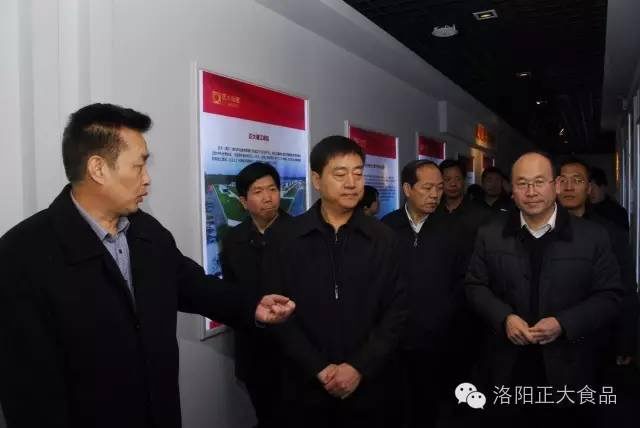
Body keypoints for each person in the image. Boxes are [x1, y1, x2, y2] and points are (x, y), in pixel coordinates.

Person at [0, 103, 295, 428]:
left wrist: (252, 306)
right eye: (139, 166)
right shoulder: (22, 254)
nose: (147, 179)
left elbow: (192, 285)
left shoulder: (146, 231)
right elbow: (28, 391)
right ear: (98, 169)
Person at [465, 152, 623, 422]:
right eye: (522, 183)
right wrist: (504, 318)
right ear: (511, 190)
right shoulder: (490, 234)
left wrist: (564, 323)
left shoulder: (592, 236)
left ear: (556, 185)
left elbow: (610, 296)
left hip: (570, 365)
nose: (531, 192)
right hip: (507, 365)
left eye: (539, 182)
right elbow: (475, 285)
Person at [265, 136, 407, 428]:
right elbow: (276, 312)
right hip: (304, 384)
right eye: (340, 174)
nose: (352, 183)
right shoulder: (286, 238)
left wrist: (358, 367)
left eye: (358, 173)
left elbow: (397, 310)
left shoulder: (384, 239)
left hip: (370, 383)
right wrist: (318, 367)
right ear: (317, 180)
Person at [381, 160, 468, 428]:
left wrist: (444, 314)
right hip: (393, 336)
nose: (435, 195)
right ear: (407, 189)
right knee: (394, 403)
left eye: (439, 188)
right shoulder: (386, 228)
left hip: (436, 337)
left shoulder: (453, 229)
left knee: (429, 404)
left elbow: (463, 280)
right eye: (427, 188)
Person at [220, 162, 291, 428]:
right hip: (254, 349)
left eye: (272, 189)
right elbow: (231, 293)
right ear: (243, 201)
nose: (268, 197)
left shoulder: (300, 233)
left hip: (295, 349)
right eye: (258, 191)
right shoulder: (233, 239)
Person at [556, 157, 638, 368]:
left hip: (599, 336)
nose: (569, 187)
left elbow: (626, 287)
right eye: (562, 180)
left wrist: (626, 341)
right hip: (552, 337)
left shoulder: (609, 233)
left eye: (577, 180)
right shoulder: (542, 230)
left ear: (589, 188)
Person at [589, 166, 630, 231]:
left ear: (603, 187)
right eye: (588, 188)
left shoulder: (618, 212)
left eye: (594, 187)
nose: (590, 192)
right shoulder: (584, 210)